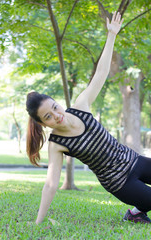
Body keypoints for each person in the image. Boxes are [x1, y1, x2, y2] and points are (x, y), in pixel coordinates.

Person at [26, 12, 151, 225]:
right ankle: (134, 213)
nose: (57, 115)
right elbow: (50, 184)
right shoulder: (57, 144)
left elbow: (101, 73)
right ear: (42, 124)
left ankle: (138, 210)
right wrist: (37, 222)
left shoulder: (80, 106)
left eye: (55, 107)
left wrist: (111, 34)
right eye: (49, 116)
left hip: (134, 161)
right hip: (119, 182)